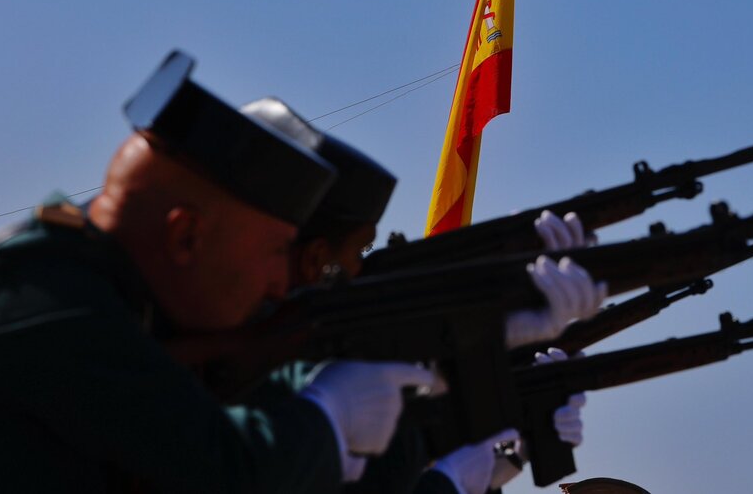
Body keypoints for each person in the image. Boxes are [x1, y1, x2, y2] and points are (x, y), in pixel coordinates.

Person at [0, 51, 435, 492]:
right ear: (186, 237)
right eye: (276, 251)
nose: (281, 284)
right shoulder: (48, 295)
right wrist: (329, 417)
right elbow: (225, 471)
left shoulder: (90, 287)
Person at [242, 97, 600, 494]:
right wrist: (450, 482)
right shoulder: (251, 371)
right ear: (314, 259)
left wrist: (500, 465)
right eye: (353, 258)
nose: (360, 273)